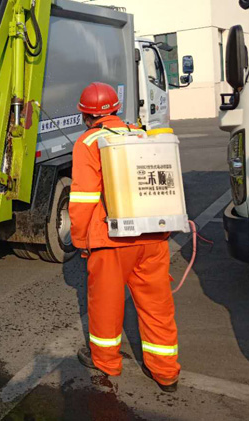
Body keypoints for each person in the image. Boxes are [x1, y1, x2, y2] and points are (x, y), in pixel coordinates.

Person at [69, 82, 180, 392]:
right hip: (153, 235)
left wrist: (81, 240)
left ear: (85, 116)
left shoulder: (88, 141)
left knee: (106, 304)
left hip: (111, 240)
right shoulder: (140, 134)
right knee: (157, 306)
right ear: (116, 109)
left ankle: (106, 362)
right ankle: (166, 373)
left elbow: (83, 199)